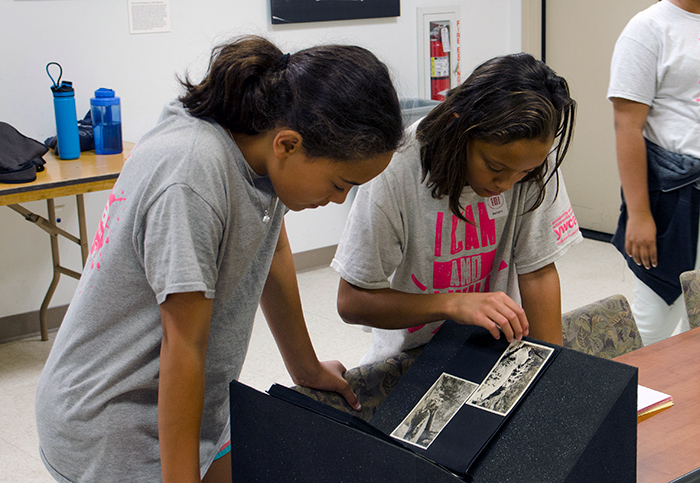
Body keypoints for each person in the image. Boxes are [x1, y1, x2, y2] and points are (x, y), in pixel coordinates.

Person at [34, 36, 403, 482]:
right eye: (340, 183)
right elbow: (182, 346)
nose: (339, 198)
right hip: (114, 418)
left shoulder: (260, 146)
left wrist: (303, 365)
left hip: (195, 399)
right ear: (288, 144)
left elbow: (273, 246)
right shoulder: (192, 177)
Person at [332, 53, 581, 365]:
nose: (507, 183)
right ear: (457, 127)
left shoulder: (528, 159)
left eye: (524, 174)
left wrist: (550, 373)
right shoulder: (397, 169)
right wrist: (451, 304)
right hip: (406, 362)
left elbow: (539, 271)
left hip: (493, 351)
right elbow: (352, 302)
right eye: (494, 167)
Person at [608, 0, 700, 346]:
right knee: (654, 326)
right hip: (672, 195)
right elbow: (627, 126)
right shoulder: (648, 28)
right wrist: (639, 214)